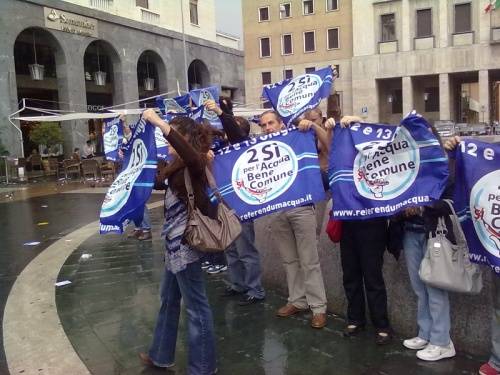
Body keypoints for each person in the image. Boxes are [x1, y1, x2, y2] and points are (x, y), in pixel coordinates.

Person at [138, 109, 217, 374]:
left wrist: (160, 123)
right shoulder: (177, 164)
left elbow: (192, 158)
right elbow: (159, 179)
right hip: (173, 244)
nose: (166, 139)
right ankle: (160, 355)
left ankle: (203, 368)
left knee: (196, 308)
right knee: (168, 300)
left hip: (186, 245)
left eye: (171, 135)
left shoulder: (197, 161)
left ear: (184, 138)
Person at [259, 109, 329, 328]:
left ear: (281, 124)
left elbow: (329, 147)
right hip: (277, 209)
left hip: (301, 207)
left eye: (271, 123)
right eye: (263, 125)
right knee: (289, 259)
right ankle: (297, 301)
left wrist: (313, 126)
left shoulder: (297, 138)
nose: (267, 127)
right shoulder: (259, 150)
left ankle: (318, 307)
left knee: (310, 260)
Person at [327, 115, 392, 345]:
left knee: (373, 277)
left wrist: (359, 120)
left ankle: (382, 325)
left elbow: (384, 138)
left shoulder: (375, 156)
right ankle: (355, 319)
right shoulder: (341, 160)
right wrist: (331, 131)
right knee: (350, 274)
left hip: (372, 223)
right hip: (348, 223)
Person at [398, 124, 456, 361]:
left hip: (434, 234)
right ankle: (426, 333)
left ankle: (442, 341)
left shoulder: (444, 164)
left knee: (435, 288)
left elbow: (453, 198)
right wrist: (403, 210)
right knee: (420, 288)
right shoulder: (403, 166)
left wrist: (422, 207)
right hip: (410, 232)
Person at [444, 136, 499, 374]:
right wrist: (455, 154)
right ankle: (498, 360)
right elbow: (459, 182)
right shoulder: (491, 154)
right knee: (498, 306)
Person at [205, 99, 266, 306]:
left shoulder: (244, 146)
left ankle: (255, 289)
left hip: (242, 205)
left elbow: (233, 133)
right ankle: (237, 284)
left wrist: (222, 112)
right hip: (225, 203)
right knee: (230, 248)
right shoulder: (222, 148)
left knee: (246, 249)